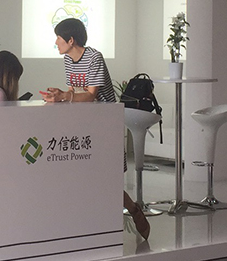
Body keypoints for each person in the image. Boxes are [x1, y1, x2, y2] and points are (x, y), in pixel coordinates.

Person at [41, 18, 150, 241]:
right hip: (83, 123)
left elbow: (91, 95)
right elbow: (75, 92)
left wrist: (65, 96)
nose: (56, 43)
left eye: (59, 38)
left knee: (107, 176)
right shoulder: (68, 60)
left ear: (71, 40)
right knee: (86, 174)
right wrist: (61, 95)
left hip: (105, 122)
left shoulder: (94, 58)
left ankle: (131, 210)